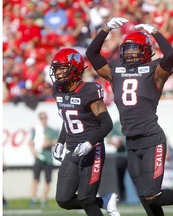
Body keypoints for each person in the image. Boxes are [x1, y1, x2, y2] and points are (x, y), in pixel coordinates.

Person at [86, 17, 173, 216]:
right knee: (145, 197)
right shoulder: (115, 71)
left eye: (135, 49)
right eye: (127, 49)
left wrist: (156, 32)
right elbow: (92, 54)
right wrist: (105, 29)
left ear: (146, 52)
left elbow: (169, 55)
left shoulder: (154, 71)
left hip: (152, 138)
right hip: (131, 141)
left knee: (153, 195)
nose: (130, 53)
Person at [49, 48, 120, 216]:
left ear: (74, 69)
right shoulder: (58, 89)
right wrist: (61, 142)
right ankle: (105, 201)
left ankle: (101, 202)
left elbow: (107, 124)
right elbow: (68, 120)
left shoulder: (88, 91)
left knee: (86, 198)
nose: (58, 72)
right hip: (72, 151)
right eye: (56, 68)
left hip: (92, 150)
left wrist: (89, 143)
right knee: (64, 199)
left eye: (62, 68)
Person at [28, 111, 58, 207]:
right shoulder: (36, 130)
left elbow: (56, 141)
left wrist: (48, 144)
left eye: (45, 118)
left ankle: (44, 199)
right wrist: (33, 151)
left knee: (47, 180)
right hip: (38, 158)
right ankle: (33, 198)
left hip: (48, 158)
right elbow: (30, 142)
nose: (43, 120)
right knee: (35, 179)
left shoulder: (51, 131)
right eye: (41, 118)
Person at [106, 121, 127, 203]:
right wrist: (116, 144)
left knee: (136, 177)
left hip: (130, 155)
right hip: (120, 156)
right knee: (120, 179)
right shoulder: (116, 125)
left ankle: (143, 197)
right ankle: (122, 198)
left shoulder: (129, 121)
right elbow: (109, 139)